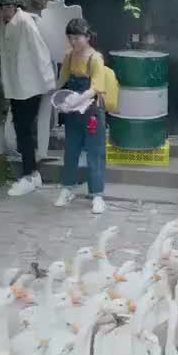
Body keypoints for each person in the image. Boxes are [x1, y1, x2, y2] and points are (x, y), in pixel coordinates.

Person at [0, 0, 56, 197]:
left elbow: (40, 51)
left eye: (8, 6)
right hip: (16, 86)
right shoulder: (4, 24)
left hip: (31, 85)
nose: (5, 10)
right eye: (2, 7)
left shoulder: (25, 23)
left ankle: (28, 176)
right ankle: (33, 175)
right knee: (21, 129)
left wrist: (48, 81)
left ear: (15, 6)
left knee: (24, 130)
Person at [54, 18, 109, 215]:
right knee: (71, 150)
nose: (73, 42)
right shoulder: (69, 56)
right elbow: (61, 80)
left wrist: (78, 100)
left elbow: (95, 88)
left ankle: (97, 195)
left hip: (92, 111)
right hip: (73, 113)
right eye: (70, 37)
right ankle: (68, 188)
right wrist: (56, 98)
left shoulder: (95, 58)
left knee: (95, 152)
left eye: (76, 38)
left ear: (87, 37)